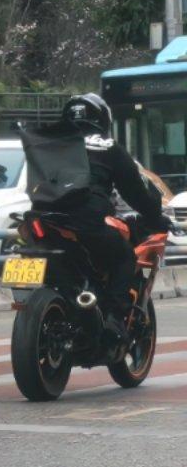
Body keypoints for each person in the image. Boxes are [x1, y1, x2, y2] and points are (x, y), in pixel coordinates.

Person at [55, 93, 169, 338]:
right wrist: (155, 216)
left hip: (42, 218)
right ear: (102, 118)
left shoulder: (49, 141)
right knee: (124, 258)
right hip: (84, 219)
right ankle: (115, 321)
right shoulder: (107, 146)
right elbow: (135, 192)